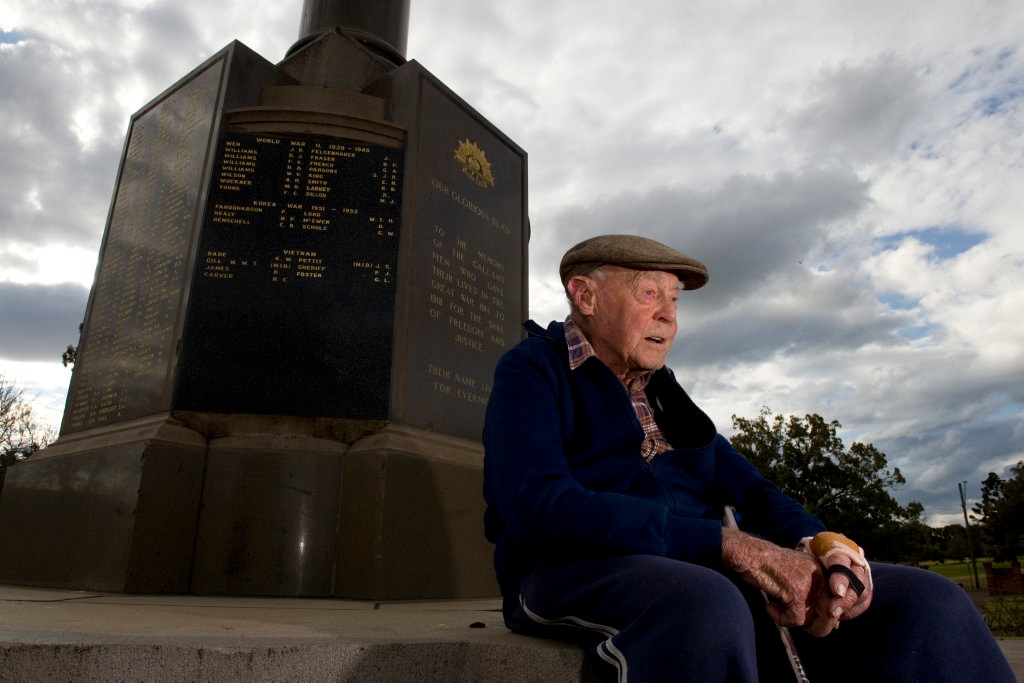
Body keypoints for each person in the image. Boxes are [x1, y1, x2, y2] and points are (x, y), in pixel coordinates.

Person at [482, 234, 1014, 682]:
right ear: (585, 295)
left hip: (694, 565)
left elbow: (749, 488)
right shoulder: (533, 369)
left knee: (928, 600)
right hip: (570, 570)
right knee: (704, 604)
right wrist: (725, 546)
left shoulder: (665, 391)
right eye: (649, 293)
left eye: (675, 300)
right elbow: (538, 505)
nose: (668, 315)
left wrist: (822, 545)